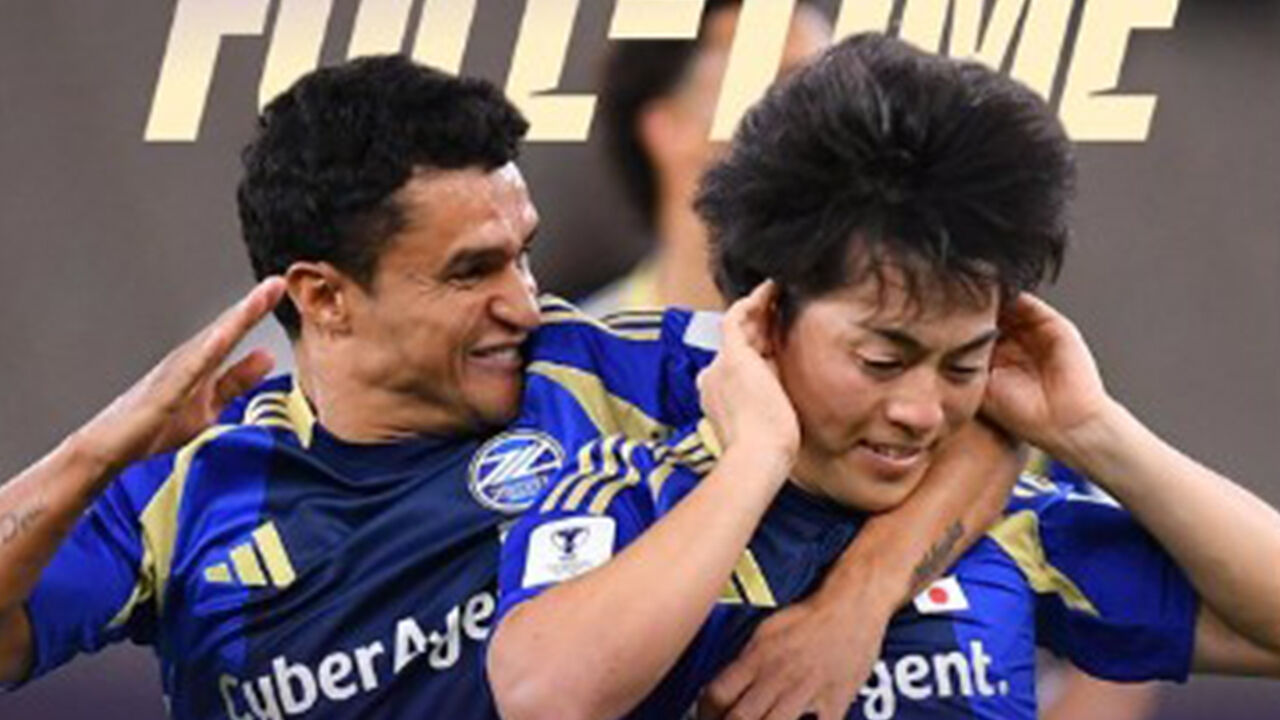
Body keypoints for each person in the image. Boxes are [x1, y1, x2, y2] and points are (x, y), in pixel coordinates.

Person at [0, 55, 1007, 718]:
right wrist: (96, 452)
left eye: (522, 254)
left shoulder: (609, 368)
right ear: (325, 297)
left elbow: (974, 411)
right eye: (471, 272)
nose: (524, 301)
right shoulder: (185, 492)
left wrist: (854, 607)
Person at [488, 34, 1280, 720]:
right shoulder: (635, 488)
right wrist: (760, 456)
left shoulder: (1004, 523)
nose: (921, 410)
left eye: (963, 363)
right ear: (769, 318)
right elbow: (544, 695)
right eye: (882, 361)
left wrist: (1094, 430)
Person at [583, 0, 830, 314]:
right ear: (668, 126)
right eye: (782, 86)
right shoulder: (570, 342)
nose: (827, 118)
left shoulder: (869, 329)